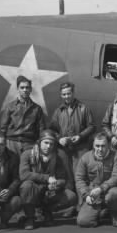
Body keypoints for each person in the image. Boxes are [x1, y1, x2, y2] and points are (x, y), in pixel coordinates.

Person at [49, 82, 96, 212]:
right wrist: (59, 139)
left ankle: (82, 206)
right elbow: (52, 130)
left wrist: (80, 136)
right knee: (68, 177)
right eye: (64, 94)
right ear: (61, 95)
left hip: (80, 149)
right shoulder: (58, 111)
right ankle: (70, 206)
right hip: (65, 151)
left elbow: (92, 126)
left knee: (80, 177)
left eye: (69, 93)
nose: (66, 96)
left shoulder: (83, 108)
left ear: (73, 93)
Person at [19, 129, 77, 230]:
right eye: (46, 143)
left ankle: (46, 210)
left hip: (50, 191)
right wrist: (47, 178)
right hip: (35, 189)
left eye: (51, 143)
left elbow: (63, 178)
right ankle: (30, 217)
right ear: (39, 142)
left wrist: (56, 184)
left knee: (71, 196)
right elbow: (23, 175)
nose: (48, 146)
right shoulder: (27, 154)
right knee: (26, 186)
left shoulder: (58, 156)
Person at [75, 132, 117, 227]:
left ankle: (115, 215)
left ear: (109, 145)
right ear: (93, 145)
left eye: (103, 146)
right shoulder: (85, 158)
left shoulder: (116, 157)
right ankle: (101, 213)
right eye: (97, 146)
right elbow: (79, 179)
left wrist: (101, 188)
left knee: (115, 194)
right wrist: (86, 195)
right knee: (83, 221)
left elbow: (116, 177)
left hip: (110, 190)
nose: (100, 149)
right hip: (93, 192)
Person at [0, 75, 45, 156]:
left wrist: (38, 145)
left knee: (27, 168)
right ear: (18, 89)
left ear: (30, 89)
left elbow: (41, 130)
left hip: (29, 144)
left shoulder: (37, 109)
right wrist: (3, 145)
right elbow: (3, 129)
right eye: (22, 87)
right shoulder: (10, 107)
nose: (25, 90)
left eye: (27, 87)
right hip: (11, 143)